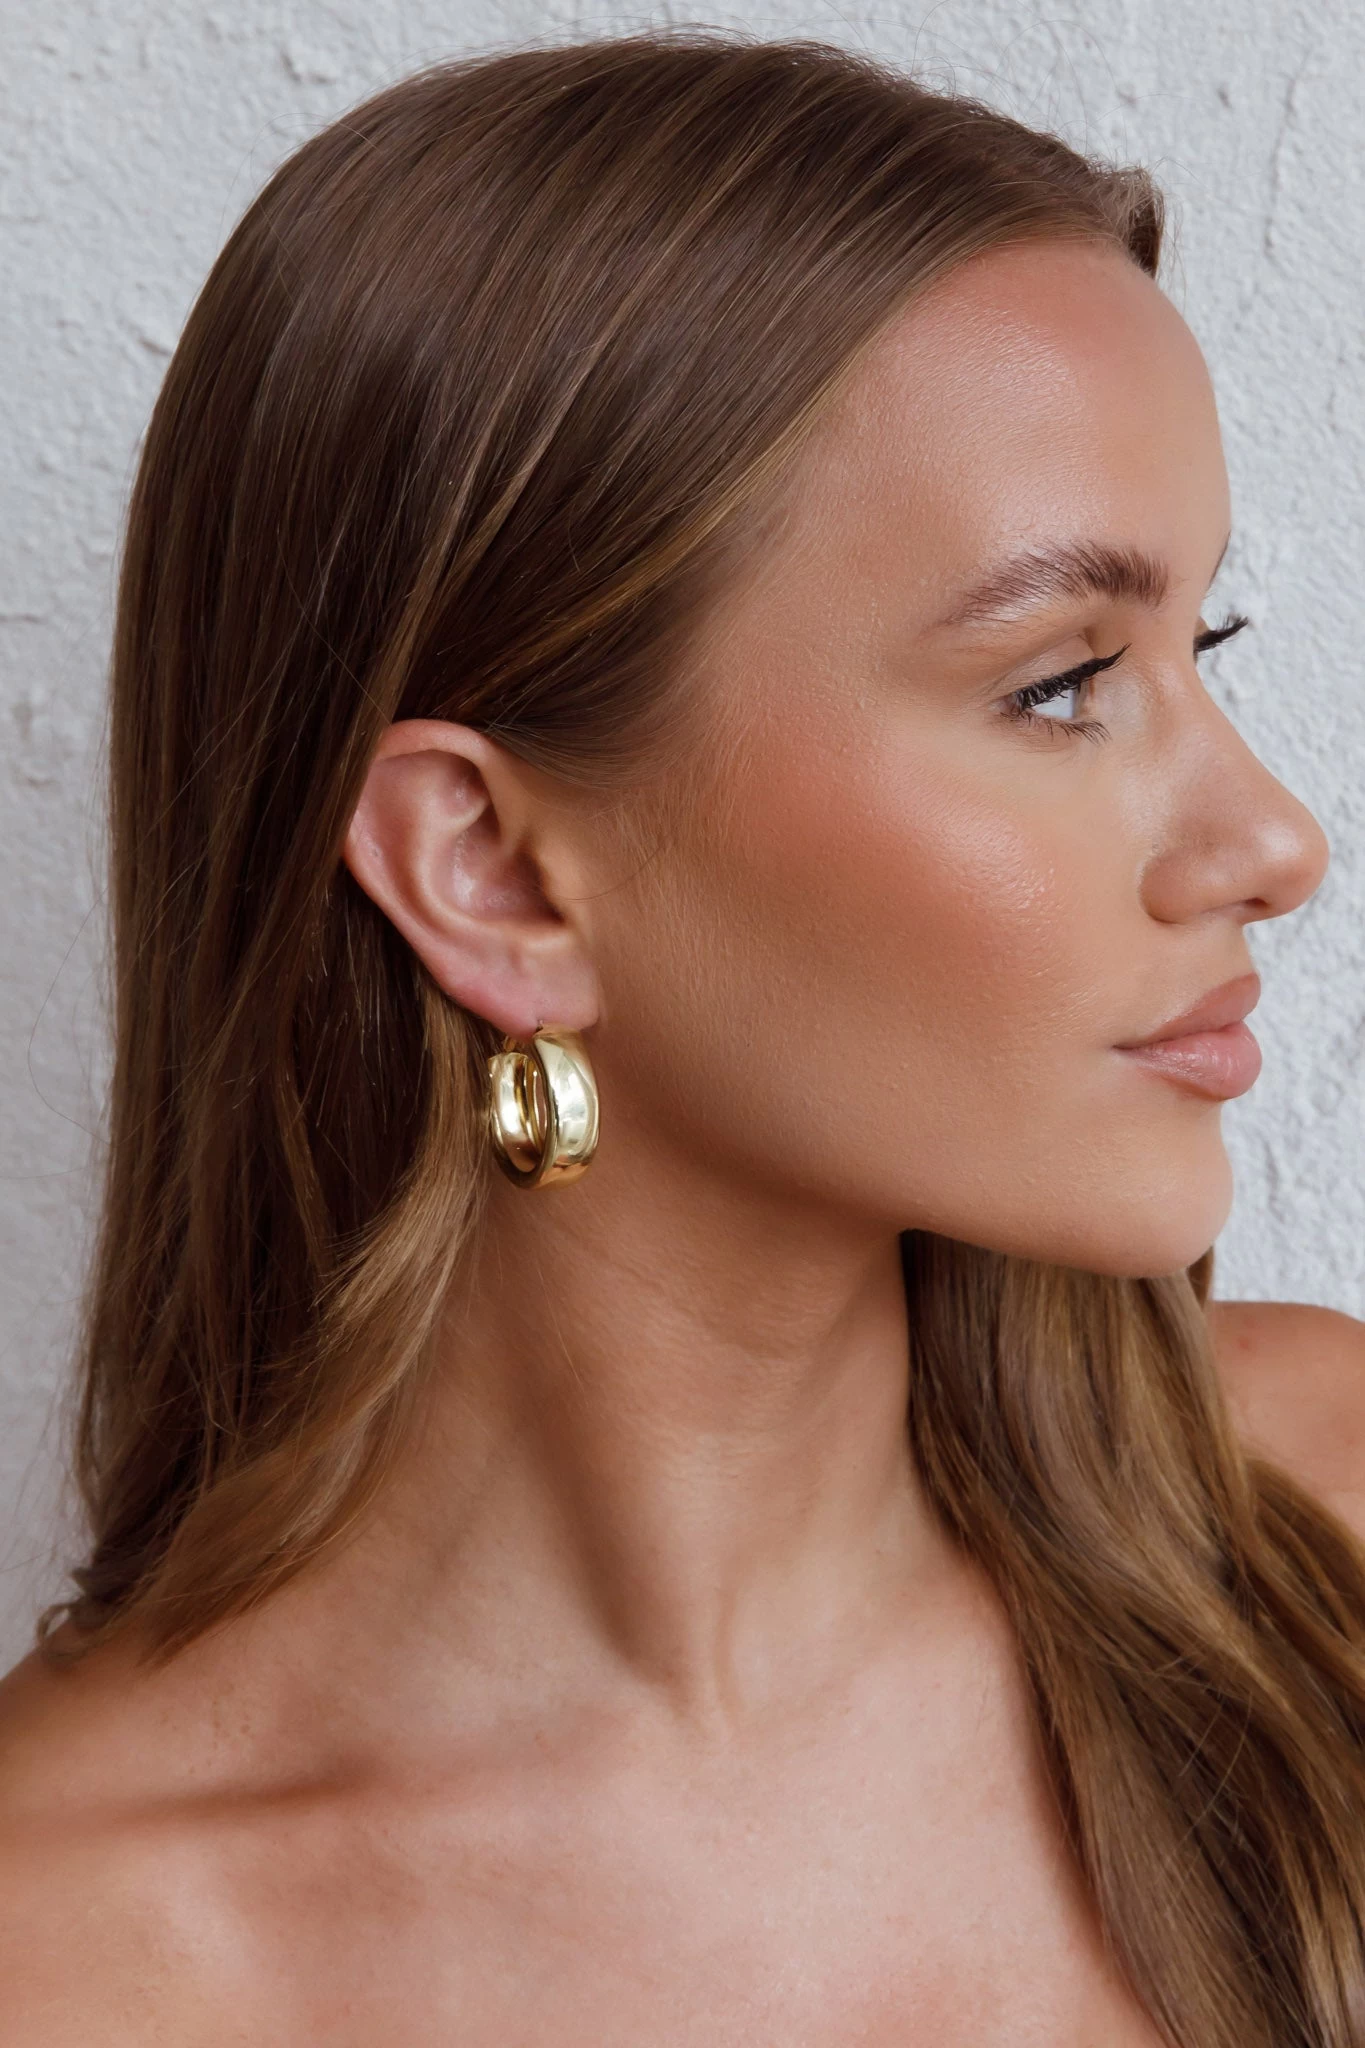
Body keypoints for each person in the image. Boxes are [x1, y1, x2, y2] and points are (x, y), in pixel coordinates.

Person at [1, 29, 1362, 2047]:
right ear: (491, 870)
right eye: (1062, 684)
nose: (1276, 842)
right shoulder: (72, 1951)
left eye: (1203, 645)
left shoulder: (1324, 1532)